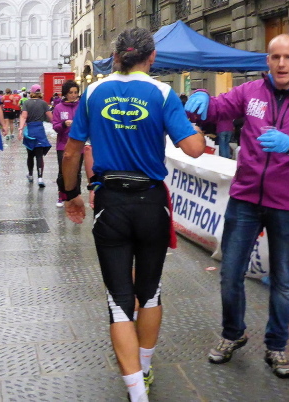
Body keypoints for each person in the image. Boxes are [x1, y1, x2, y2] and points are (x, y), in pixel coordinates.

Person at [60, 27, 205, 402]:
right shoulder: (163, 93)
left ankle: (137, 392)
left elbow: (72, 151)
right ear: (151, 57)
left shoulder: (93, 92)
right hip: (151, 203)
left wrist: (72, 195)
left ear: (116, 57)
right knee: (150, 291)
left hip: (111, 202)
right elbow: (193, 148)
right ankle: (146, 365)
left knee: (119, 300)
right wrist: (197, 128)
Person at [184, 33, 289, 378]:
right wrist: (202, 96)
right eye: (275, 57)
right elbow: (217, 109)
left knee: (282, 281)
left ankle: (277, 347)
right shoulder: (250, 92)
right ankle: (233, 334)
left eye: (288, 57)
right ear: (267, 61)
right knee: (230, 274)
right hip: (245, 199)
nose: (281, 64)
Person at [52, 80, 81, 207]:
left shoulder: (81, 107)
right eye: (71, 93)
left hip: (78, 144)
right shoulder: (59, 108)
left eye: (75, 92)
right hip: (63, 145)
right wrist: (64, 124)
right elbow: (55, 126)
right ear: (65, 94)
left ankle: (76, 195)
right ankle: (62, 194)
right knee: (63, 171)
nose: (73, 95)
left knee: (77, 172)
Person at [18, 84, 53, 187]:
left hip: (30, 130)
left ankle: (30, 175)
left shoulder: (26, 103)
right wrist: (57, 126)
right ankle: (40, 178)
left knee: (30, 155)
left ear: (31, 93)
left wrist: (20, 129)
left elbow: (24, 116)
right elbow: (50, 117)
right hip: (40, 130)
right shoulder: (43, 103)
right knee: (39, 155)